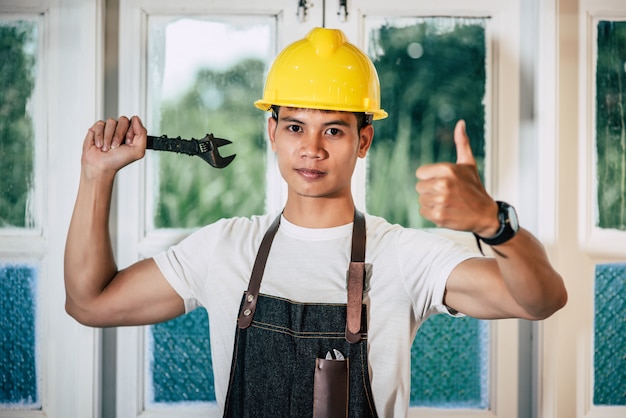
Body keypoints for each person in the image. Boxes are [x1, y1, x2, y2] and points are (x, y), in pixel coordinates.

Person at [64, 27, 567, 417]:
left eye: (334, 129)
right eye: (295, 126)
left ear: (364, 141)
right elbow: (90, 303)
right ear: (272, 132)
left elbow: (540, 300)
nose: (311, 148)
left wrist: (493, 223)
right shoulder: (224, 248)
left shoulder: (404, 256)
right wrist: (95, 176)